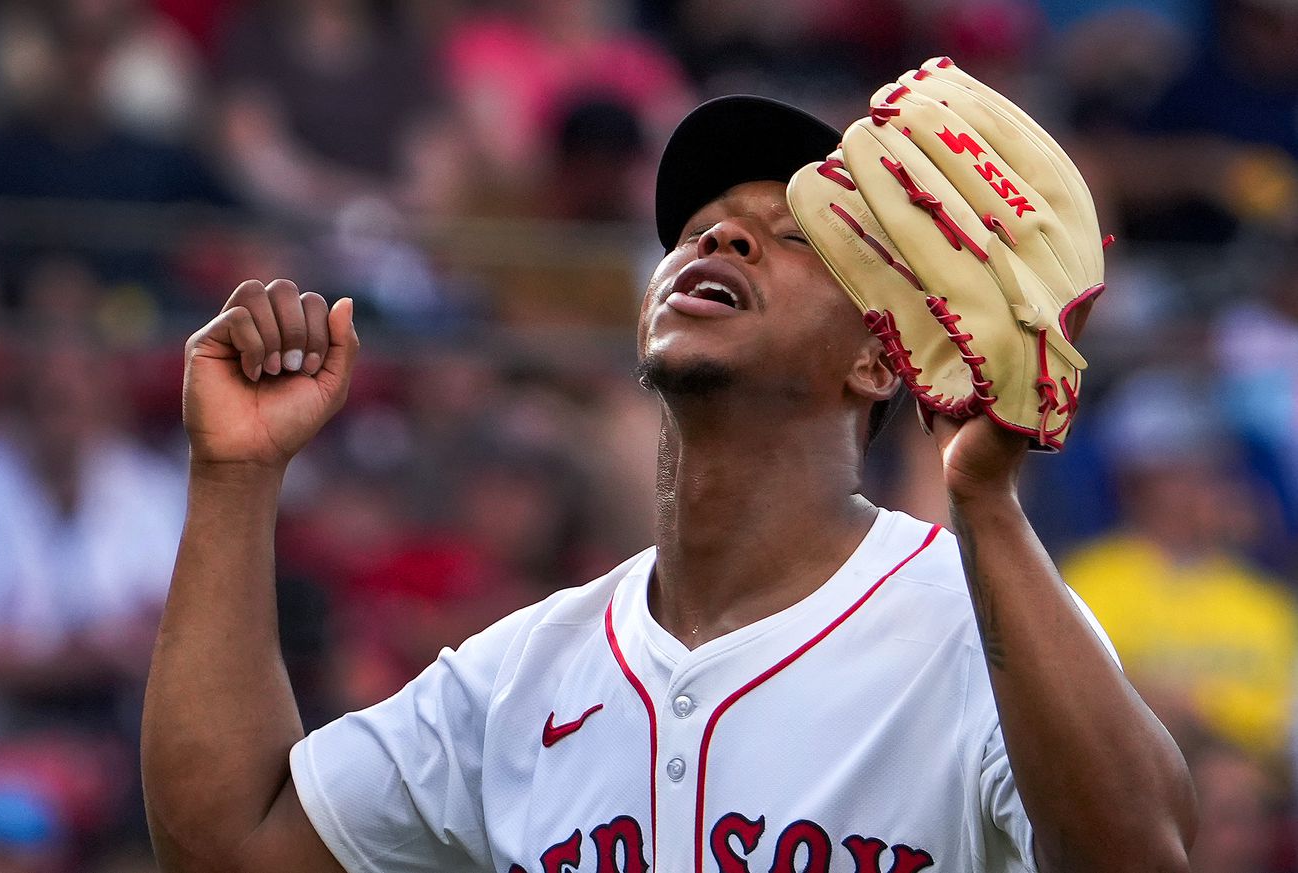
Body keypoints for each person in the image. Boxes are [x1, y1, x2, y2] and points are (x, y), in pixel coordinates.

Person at [141, 93, 1196, 872]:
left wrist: (985, 505)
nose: (722, 233)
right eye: (698, 228)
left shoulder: (976, 626)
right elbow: (229, 846)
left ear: (877, 360)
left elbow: (1139, 857)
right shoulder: (521, 675)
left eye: (793, 239)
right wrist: (233, 476)